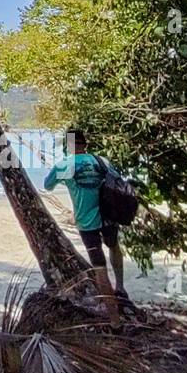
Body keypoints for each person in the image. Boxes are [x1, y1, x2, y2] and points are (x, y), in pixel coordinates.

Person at [44, 128, 125, 323]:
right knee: (114, 247)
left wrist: (71, 183)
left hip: (87, 224)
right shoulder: (101, 161)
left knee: (99, 268)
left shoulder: (65, 165)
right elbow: (119, 180)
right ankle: (120, 287)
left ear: (68, 146)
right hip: (109, 217)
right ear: (85, 144)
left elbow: (48, 185)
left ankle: (114, 321)